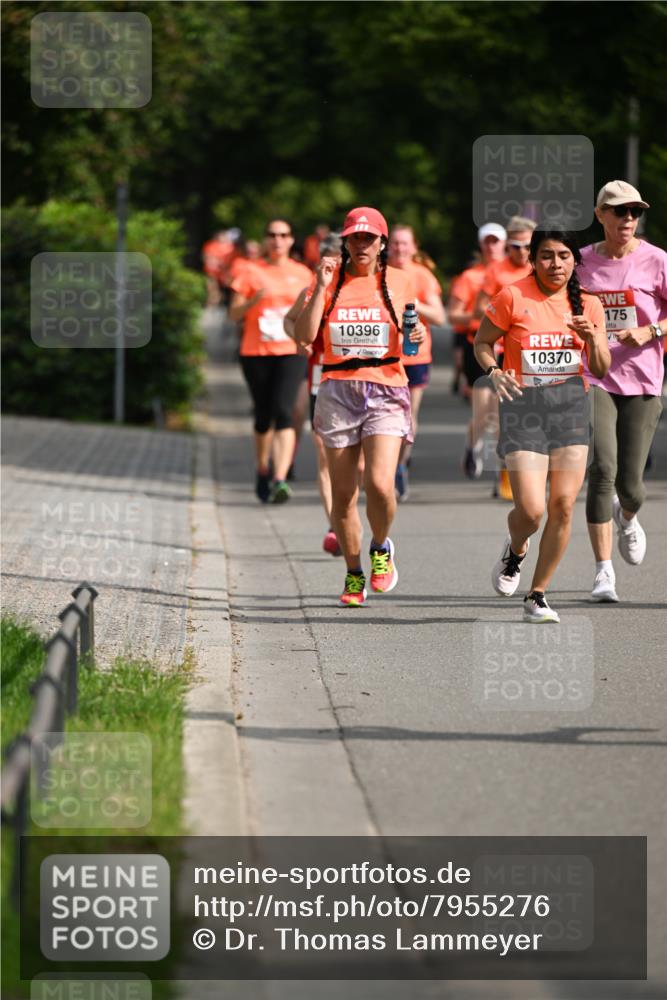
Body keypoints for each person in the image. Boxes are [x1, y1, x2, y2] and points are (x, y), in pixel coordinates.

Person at [475, 228, 610, 623]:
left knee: (563, 505)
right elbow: (482, 343)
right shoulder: (513, 296)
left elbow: (601, 368)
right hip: (524, 409)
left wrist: (593, 340)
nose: (556, 264)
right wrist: (495, 371)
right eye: (547, 256)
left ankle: (537, 595)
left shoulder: (589, 304)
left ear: (575, 261)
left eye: (564, 256)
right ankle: (516, 549)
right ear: (533, 260)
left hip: (570, 407)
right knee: (532, 511)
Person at [294, 206, 425, 606]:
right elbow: (304, 336)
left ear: (382, 243)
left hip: (386, 387)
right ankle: (353, 574)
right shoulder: (328, 280)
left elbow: (411, 335)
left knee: (381, 485)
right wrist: (320, 286)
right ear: (346, 242)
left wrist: (417, 333)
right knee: (343, 494)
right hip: (337, 389)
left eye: (370, 238)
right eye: (355, 238)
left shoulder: (399, 281)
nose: (362, 245)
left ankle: (381, 546)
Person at [577, 180, 667, 602]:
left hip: (643, 377)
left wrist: (651, 331)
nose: (628, 218)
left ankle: (626, 517)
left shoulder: (657, 260)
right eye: (619, 211)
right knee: (602, 469)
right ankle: (603, 572)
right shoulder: (580, 262)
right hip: (595, 376)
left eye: (635, 211)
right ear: (601, 215)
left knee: (632, 486)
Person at [284, 232, 358, 556]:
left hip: (359, 381)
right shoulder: (314, 290)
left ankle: (348, 515)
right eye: (328, 259)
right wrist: (299, 339)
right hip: (322, 378)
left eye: (340, 259)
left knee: (359, 464)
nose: (335, 265)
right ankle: (335, 526)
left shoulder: (363, 291)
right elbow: (290, 320)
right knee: (325, 457)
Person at [229, 219, 312, 503]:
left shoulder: (303, 273)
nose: (278, 240)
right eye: (272, 235)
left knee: (285, 411)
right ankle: (262, 466)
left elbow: (313, 311)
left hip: (290, 351)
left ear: (291, 240)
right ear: (265, 239)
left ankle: (280, 478)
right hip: (256, 352)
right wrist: (252, 302)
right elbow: (233, 314)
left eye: (283, 235)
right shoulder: (250, 271)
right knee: (263, 415)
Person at [387, 224, 446, 500]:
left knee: (408, 416)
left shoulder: (422, 276)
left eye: (404, 243)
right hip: (383, 356)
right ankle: (383, 465)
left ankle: (400, 465)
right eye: (395, 243)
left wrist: (412, 302)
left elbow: (440, 316)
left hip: (415, 355)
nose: (399, 248)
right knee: (384, 415)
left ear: (414, 247)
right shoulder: (378, 272)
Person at [448, 223, 507, 479]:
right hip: (480, 346)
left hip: (510, 349)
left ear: (504, 244)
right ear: (481, 245)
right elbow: (453, 315)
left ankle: (503, 474)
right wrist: (482, 315)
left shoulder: (518, 273)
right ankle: (472, 444)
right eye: (487, 241)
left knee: (502, 413)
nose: (492, 246)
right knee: (484, 412)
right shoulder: (470, 277)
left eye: (496, 241)